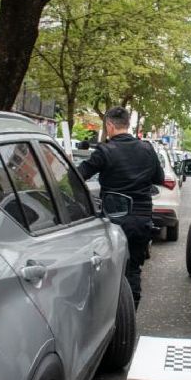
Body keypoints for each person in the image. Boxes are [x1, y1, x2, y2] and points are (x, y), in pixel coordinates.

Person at [77, 107, 164, 309]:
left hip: (114, 219)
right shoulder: (147, 149)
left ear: (109, 125)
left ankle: (107, 314)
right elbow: (159, 178)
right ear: (127, 124)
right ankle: (130, 313)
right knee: (133, 269)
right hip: (141, 218)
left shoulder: (105, 150)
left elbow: (79, 175)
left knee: (108, 269)